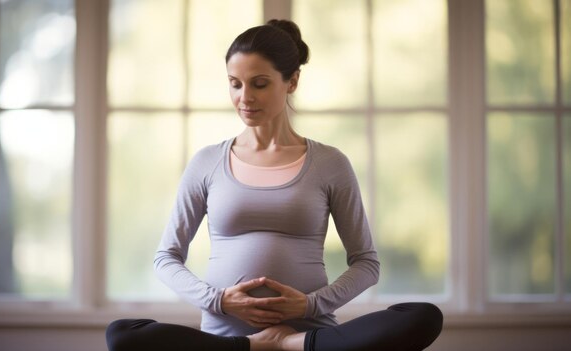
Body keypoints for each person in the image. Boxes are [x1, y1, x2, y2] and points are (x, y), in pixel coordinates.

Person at [106, 19, 443, 351]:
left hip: (311, 332)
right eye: (235, 84)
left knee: (423, 316)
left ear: (292, 81)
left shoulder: (330, 163)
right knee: (123, 334)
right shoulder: (207, 162)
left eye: (260, 84)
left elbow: (366, 263)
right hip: (223, 337)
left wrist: (308, 306)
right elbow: (166, 257)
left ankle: (291, 343)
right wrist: (219, 300)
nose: (244, 97)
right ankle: (250, 347)